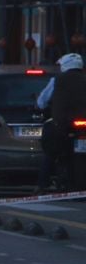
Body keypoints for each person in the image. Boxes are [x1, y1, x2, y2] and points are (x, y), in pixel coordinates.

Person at [37, 53, 86, 193]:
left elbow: (42, 101)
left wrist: (40, 107)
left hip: (62, 123)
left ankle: (43, 183)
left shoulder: (57, 80)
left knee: (50, 150)